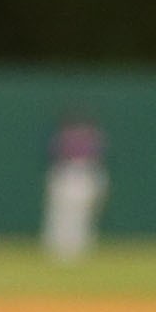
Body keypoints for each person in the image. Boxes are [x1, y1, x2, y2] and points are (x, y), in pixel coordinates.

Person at [41, 111, 107, 264]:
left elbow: (97, 156)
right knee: (62, 214)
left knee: (80, 215)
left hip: (83, 173)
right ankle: (59, 248)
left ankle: (76, 248)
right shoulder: (66, 136)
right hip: (68, 172)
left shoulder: (91, 137)